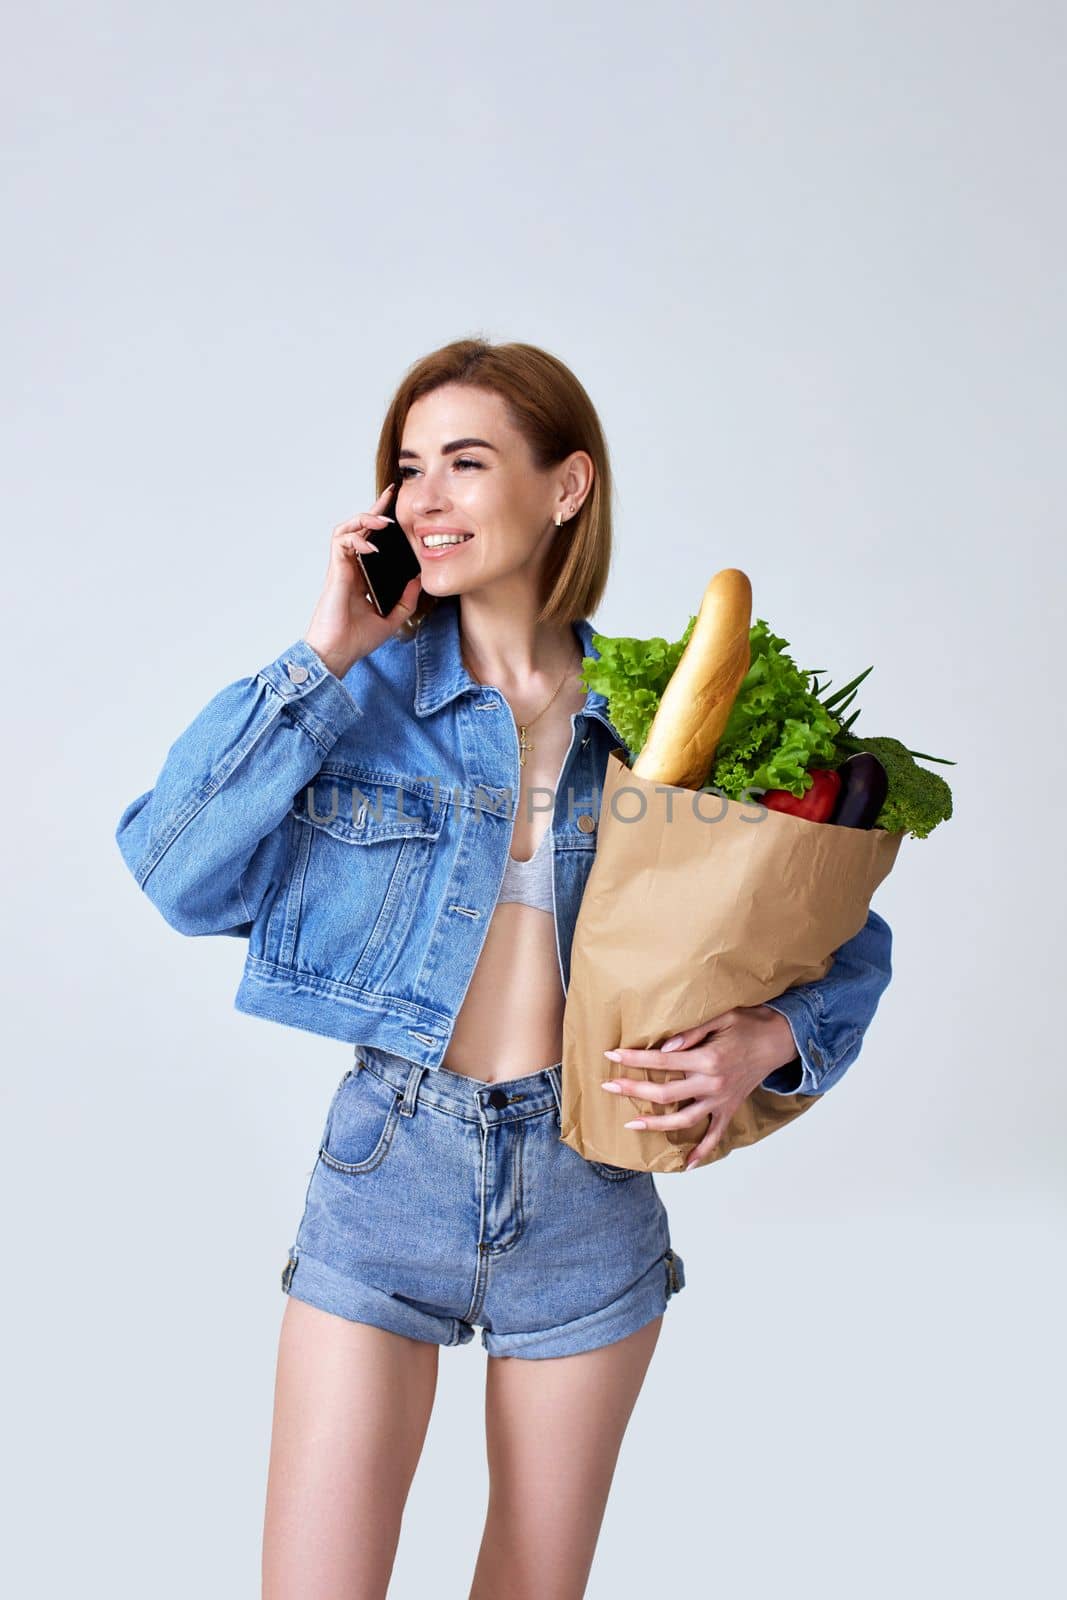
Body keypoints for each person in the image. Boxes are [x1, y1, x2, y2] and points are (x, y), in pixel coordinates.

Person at [115, 338, 893, 1599]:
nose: (423, 497)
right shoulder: (352, 701)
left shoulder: (663, 718)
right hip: (386, 1174)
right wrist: (323, 653)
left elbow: (837, 931)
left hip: (586, 1191)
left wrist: (771, 1040)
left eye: (465, 463)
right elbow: (171, 868)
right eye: (407, 468)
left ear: (566, 484)